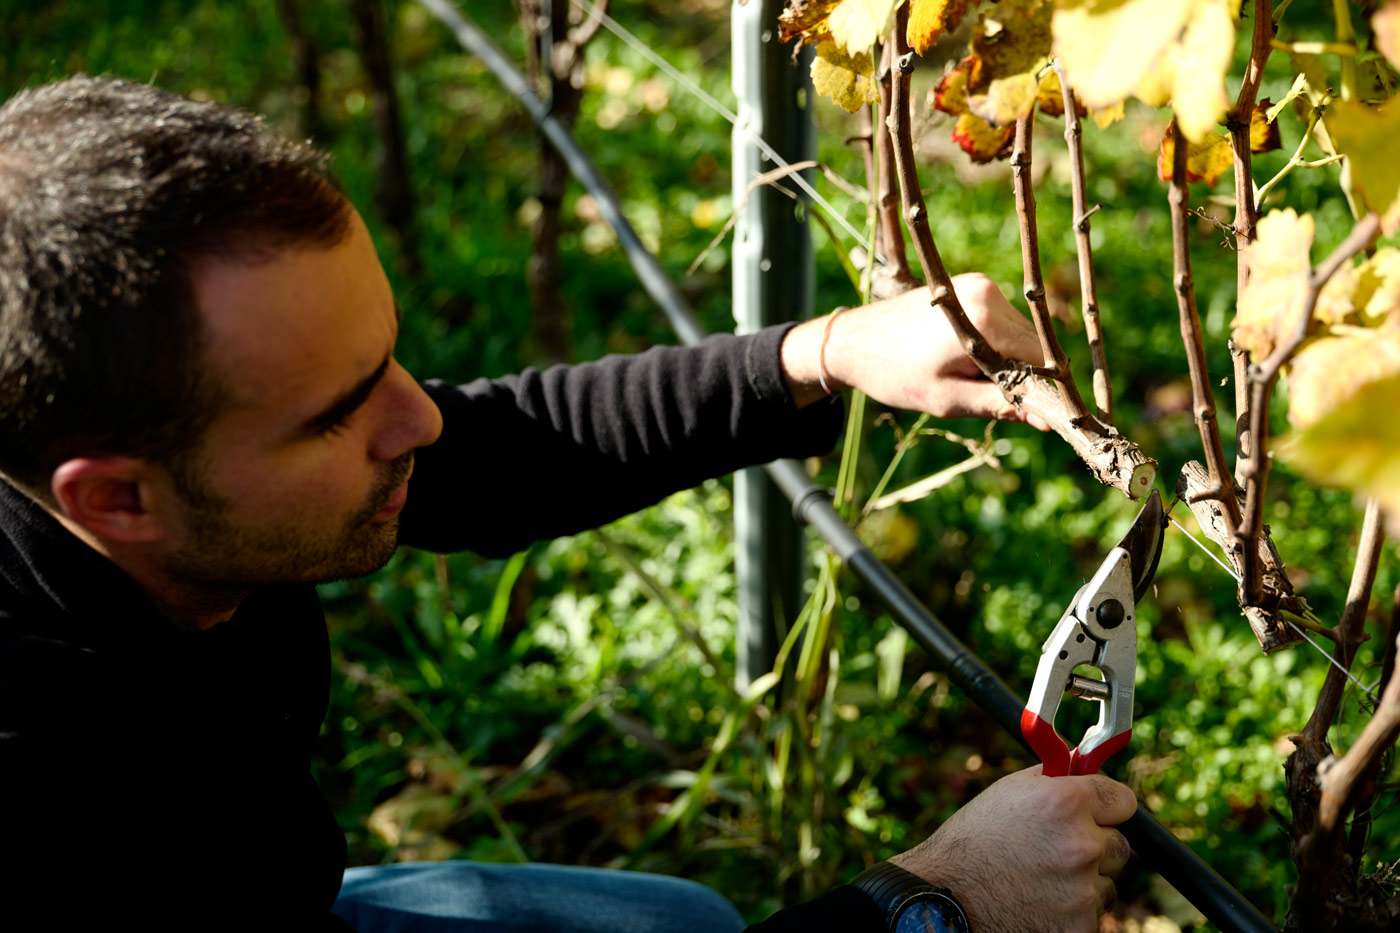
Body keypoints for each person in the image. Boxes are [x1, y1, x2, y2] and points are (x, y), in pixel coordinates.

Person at [0, 75, 1134, 932]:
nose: (421, 421)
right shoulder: (59, 798)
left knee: (685, 922)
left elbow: (496, 450)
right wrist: (938, 901)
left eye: (391, 365)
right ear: (116, 500)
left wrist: (819, 354)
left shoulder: (177, 491)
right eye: (338, 413)